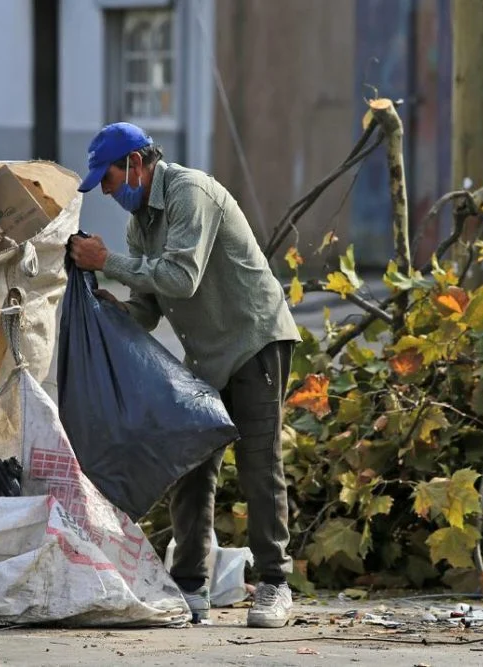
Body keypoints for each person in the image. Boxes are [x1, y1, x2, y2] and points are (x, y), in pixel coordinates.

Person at [68, 122, 301, 628]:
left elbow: (182, 278)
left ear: (134, 163)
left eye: (107, 180)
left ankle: (275, 585)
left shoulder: (188, 192)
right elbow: (147, 310)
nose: (107, 192)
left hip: (255, 340)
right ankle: (191, 588)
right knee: (191, 462)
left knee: (260, 464)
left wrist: (107, 261)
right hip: (206, 356)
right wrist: (107, 307)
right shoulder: (140, 226)